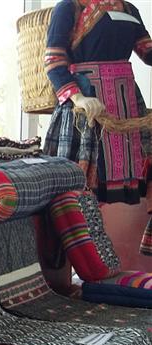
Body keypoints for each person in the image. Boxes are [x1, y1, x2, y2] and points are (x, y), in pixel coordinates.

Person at [42, 0, 152, 252]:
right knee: (79, 188)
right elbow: (54, 60)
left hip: (125, 103)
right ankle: (70, 257)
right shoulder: (68, 7)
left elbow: (147, 51)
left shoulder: (128, 8)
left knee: (131, 172)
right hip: (87, 104)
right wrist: (78, 97)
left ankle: (97, 258)